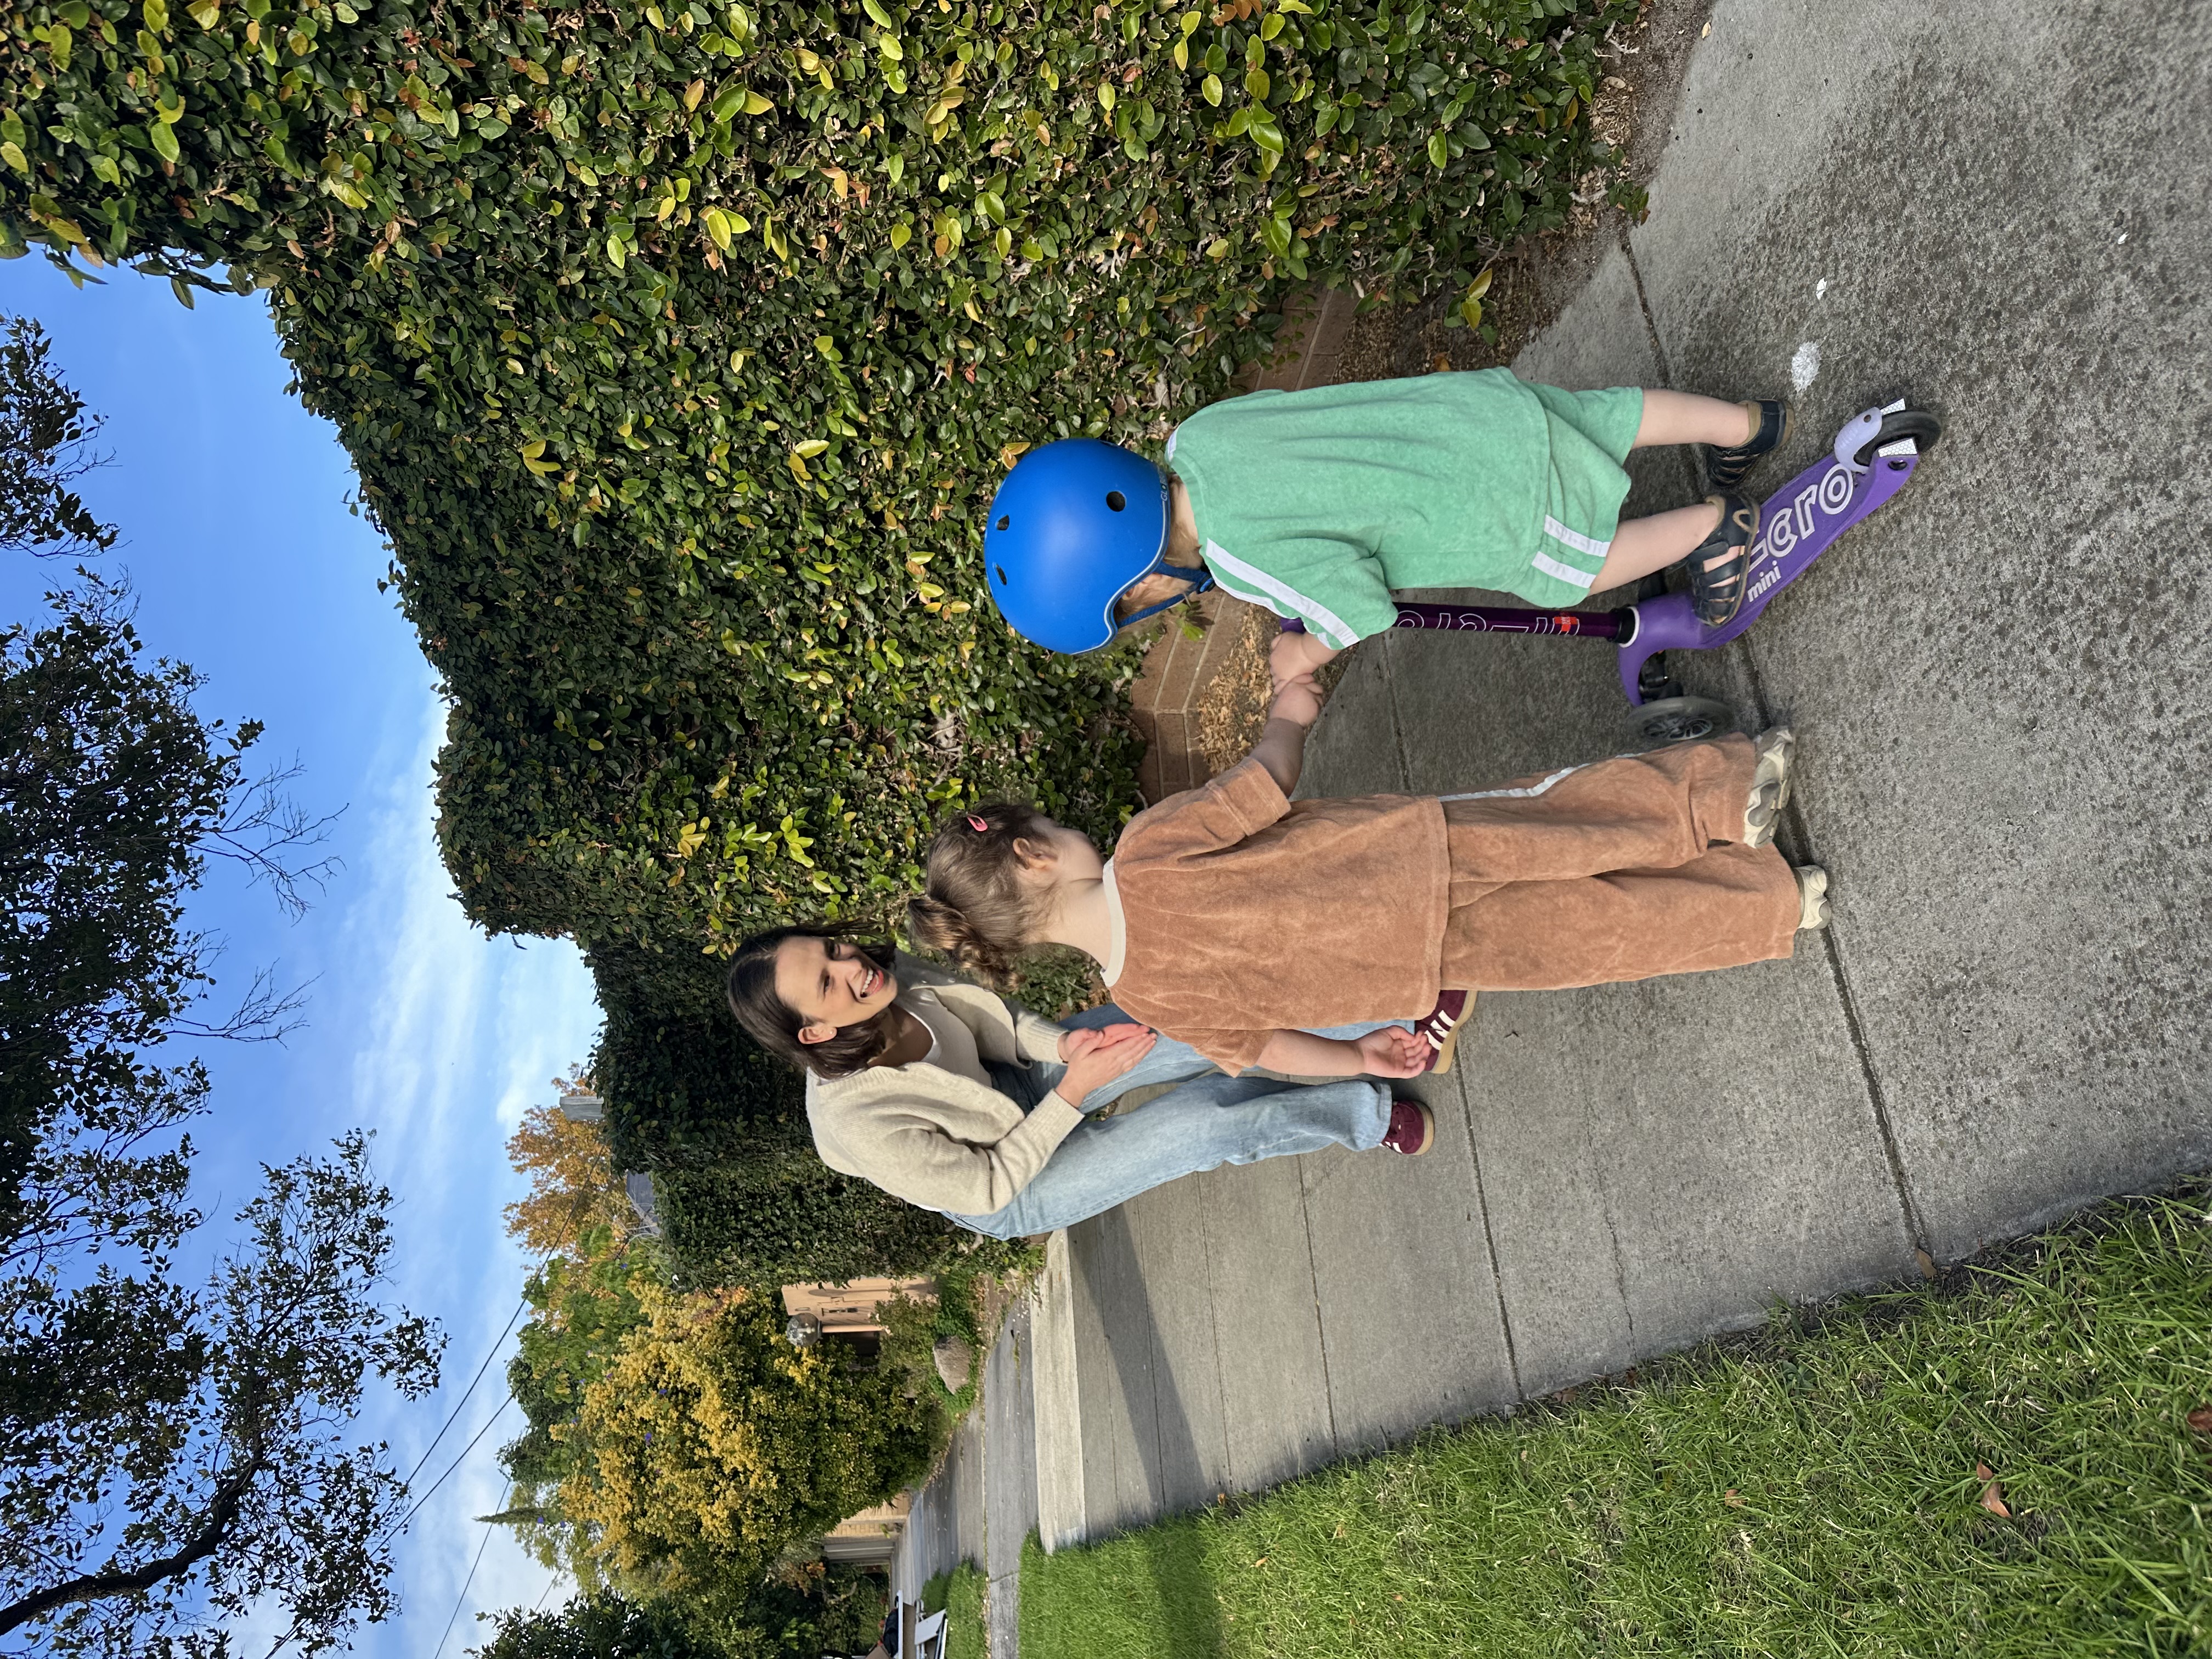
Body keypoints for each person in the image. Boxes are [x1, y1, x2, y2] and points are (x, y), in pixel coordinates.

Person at [909, 670, 1826, 1076]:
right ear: (1034, 855)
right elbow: (1262, 785)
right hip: (1410, 854)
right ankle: (1729, 794)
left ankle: (1776, 907)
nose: (1074, 832)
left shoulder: (1147, 996)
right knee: (1573, 826)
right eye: (1056, 828)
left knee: (1600, 936)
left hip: (1415, 962)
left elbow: (1262, 1048)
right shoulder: (1144, 854)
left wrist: (1356, 1058)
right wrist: (1289, 712)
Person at [978, 373, 1788, 674]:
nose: (1150, 604)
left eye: (1130, 603)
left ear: (1138, 576)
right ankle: (1743, 425)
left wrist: (1302, 650)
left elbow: (1358, 607)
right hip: (1467, 409)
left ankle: (1713, 527)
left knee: (1572, 574)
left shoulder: (1236, 558)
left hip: (1479, 503)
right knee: (1607, 415)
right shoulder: (1197, 436)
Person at [722, 926, 1442, 1241]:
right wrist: (1071, 1094)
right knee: (1200, 1126)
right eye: (828, 981)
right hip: (1008, 1181)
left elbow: (995, 1020)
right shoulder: (855, 1123)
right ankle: (1363, 1116)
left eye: (832, 948)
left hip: (1018, 1077)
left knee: (1183, 1026)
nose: (852, 967)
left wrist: (1065, 1044)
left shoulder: (889, 980)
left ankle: (1387, 1026)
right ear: (813, 1033)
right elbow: (988, 1185)